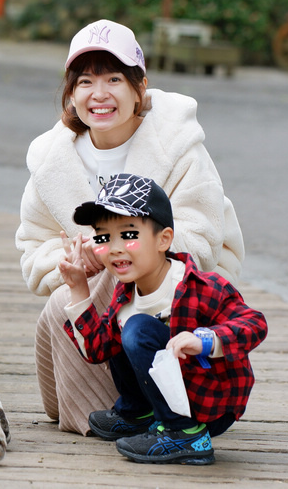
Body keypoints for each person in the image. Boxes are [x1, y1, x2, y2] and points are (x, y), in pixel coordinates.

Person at [15, 19, 245, 435]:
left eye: (114, 79)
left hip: (178, 302)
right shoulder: (53, 161)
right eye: (85, 81)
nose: (99, 94)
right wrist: (74, 260)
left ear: (139, 88)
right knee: (75, 293)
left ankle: (153, 407)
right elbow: (34, 245)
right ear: (70, 94)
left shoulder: (176, 146)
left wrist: (112, 249)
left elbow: (202, 234)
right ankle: (116, 404)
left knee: (107, 269)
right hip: (101, 300)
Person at [59, 173, 267, 464]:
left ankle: (186, 435)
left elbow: (255, 323)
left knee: (136, 328)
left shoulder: (199, 286)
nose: (115, 247)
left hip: (210, 402)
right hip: (170, 389)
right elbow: (98, 350)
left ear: (163, 239)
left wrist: (205, 339)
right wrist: (78, 287)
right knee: (123, 329)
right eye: (104, 237)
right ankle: (138, 413)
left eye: (129, 235)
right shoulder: (125, 295)